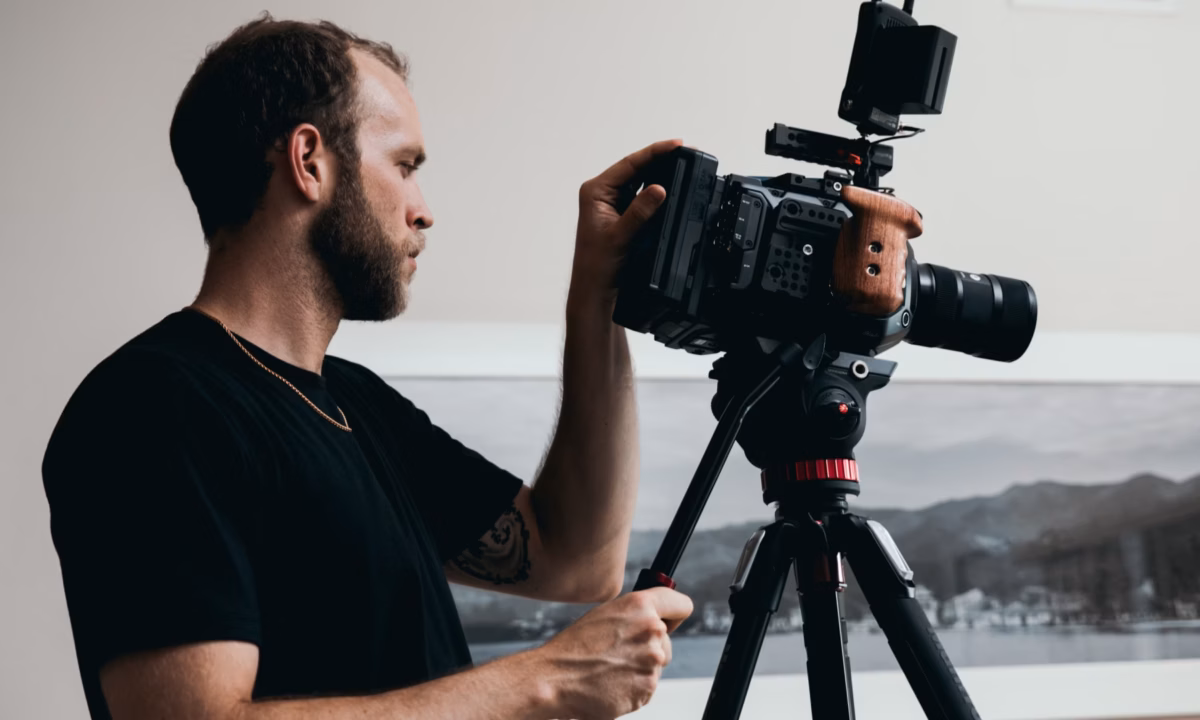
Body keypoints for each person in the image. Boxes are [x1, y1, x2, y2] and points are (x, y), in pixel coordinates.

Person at [42, 13, 693, 720]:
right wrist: (545, 681)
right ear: (309, 161)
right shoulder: (150, 407)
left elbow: (574, 559)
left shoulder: (359, 403)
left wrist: (598, 296)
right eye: (405, 165)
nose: (424, 211)